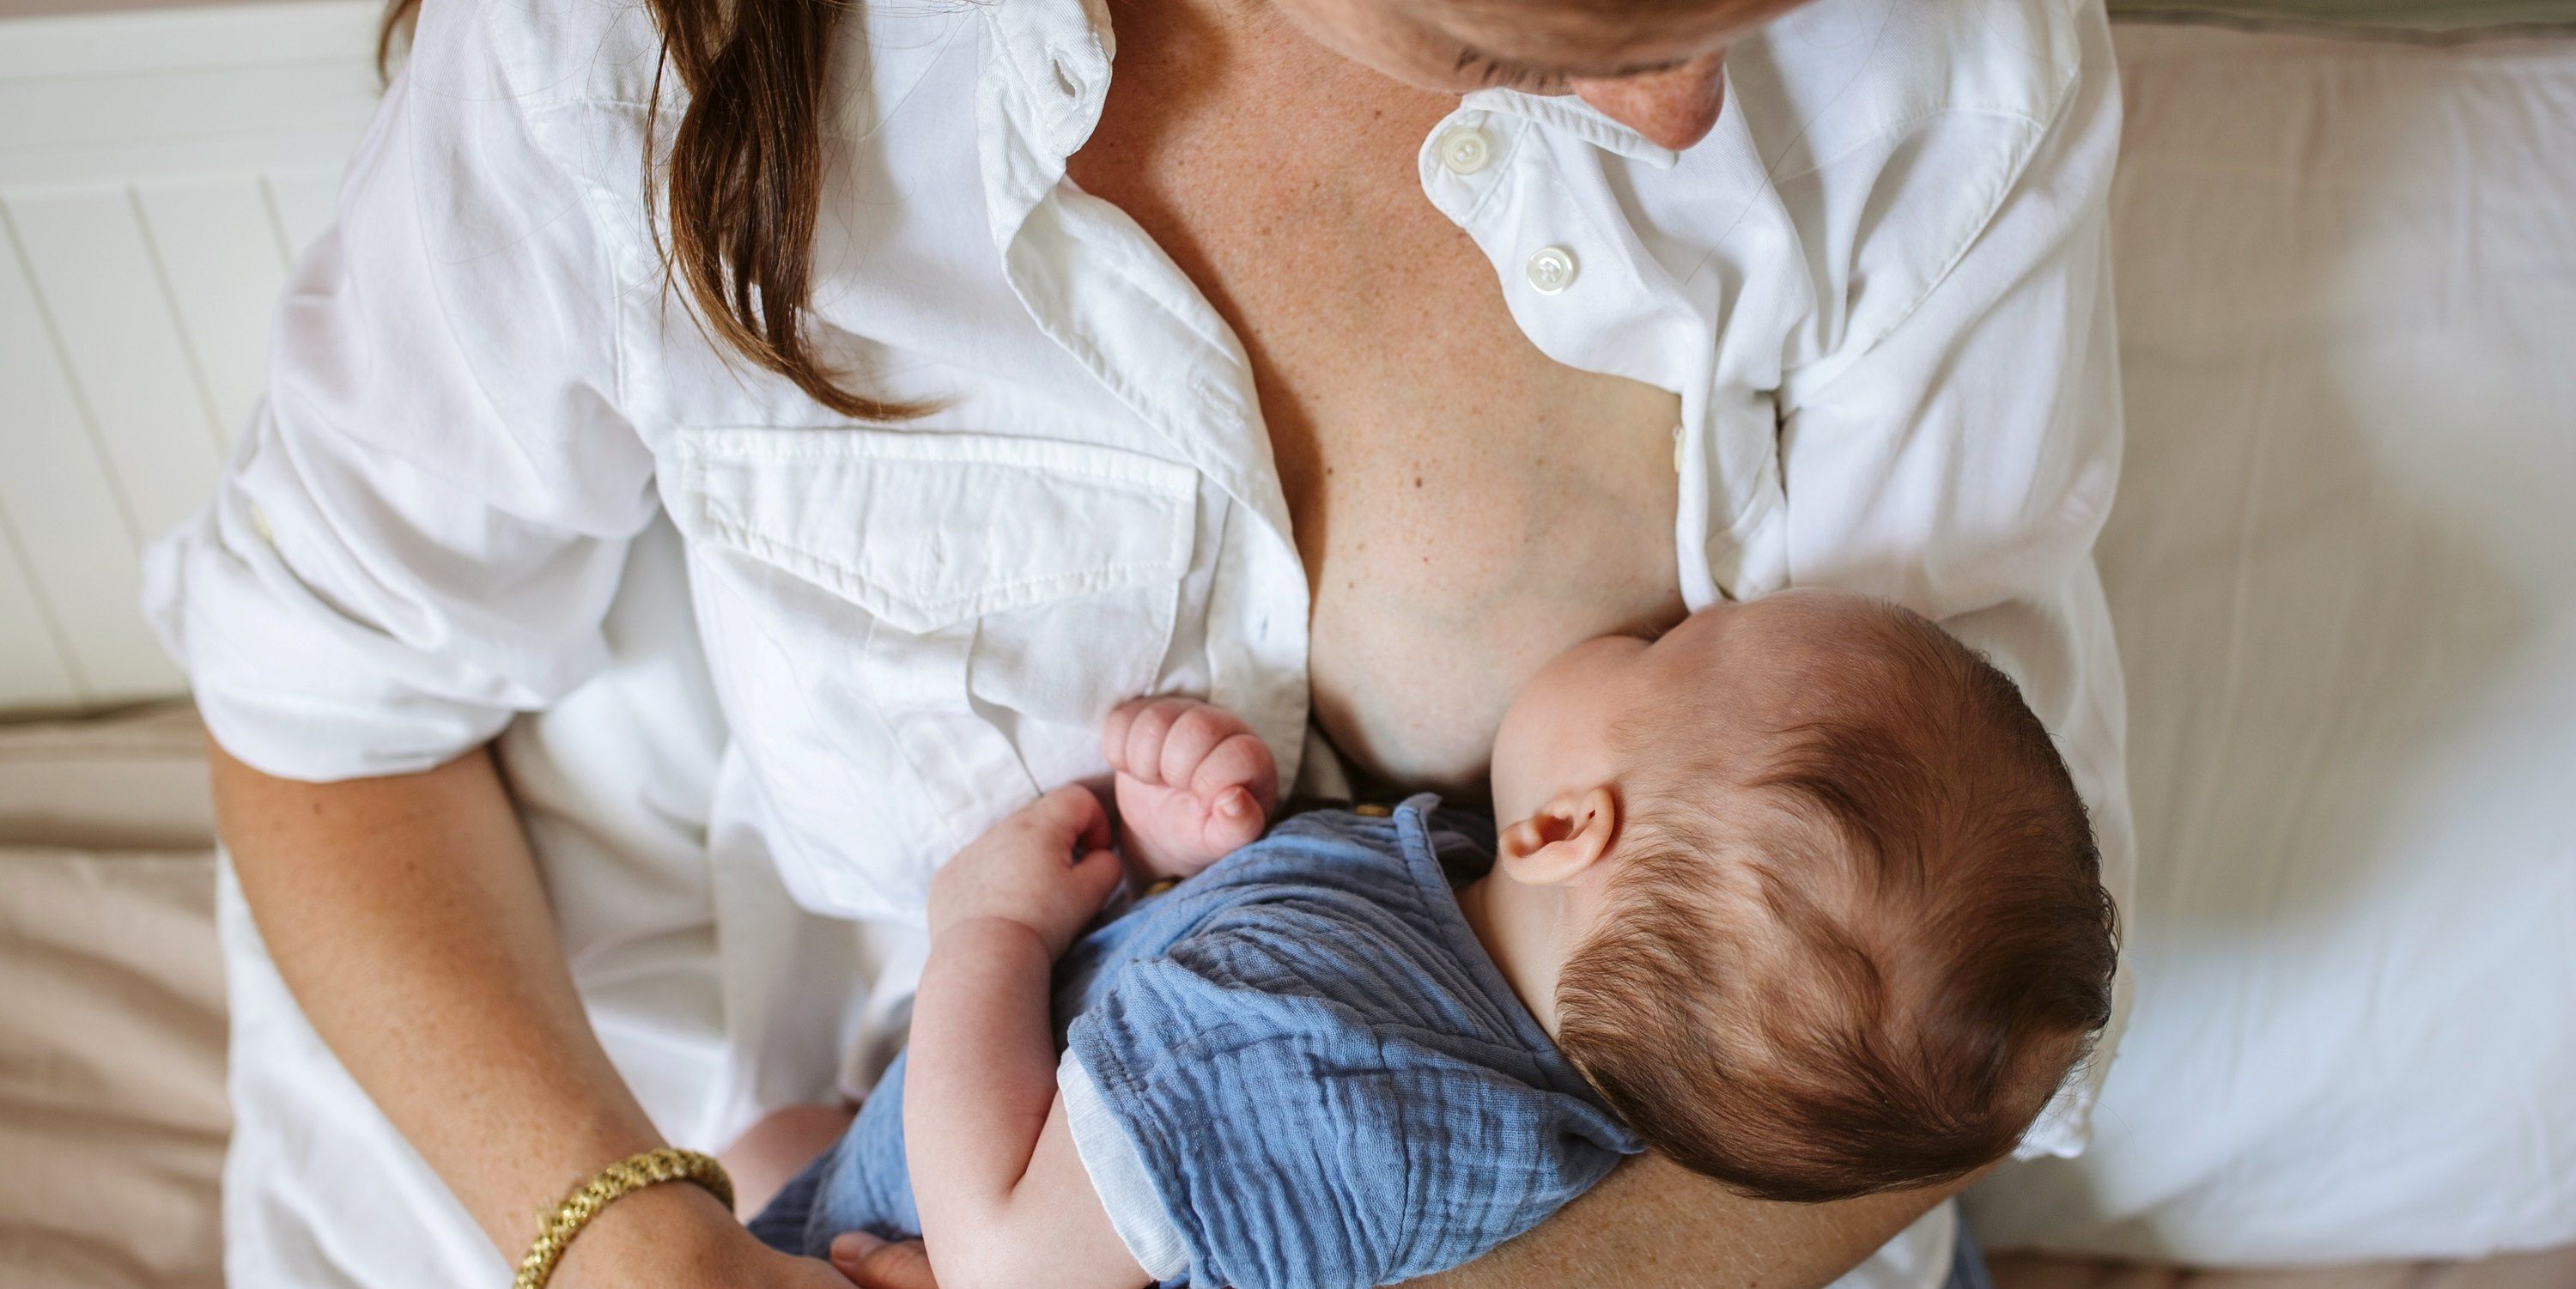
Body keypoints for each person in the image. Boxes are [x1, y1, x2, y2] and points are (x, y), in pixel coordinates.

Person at [142, 0, 2134, 1281]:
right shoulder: (627, 66)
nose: (1683, 106)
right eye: (1533, 31)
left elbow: (1972, 1020)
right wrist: (610, 1233)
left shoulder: (1937, 75)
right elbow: (326, 708)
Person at [741, 592, 2119, 1289]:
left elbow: (1003, 1262)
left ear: (1568, 826)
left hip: (919, 1224)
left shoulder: (1304, 1044)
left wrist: (984, 924)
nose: (1653, 616)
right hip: (1033, 1170)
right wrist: (1173, 865)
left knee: (758, 1164)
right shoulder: (1540, 1054)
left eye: (1676, 644)